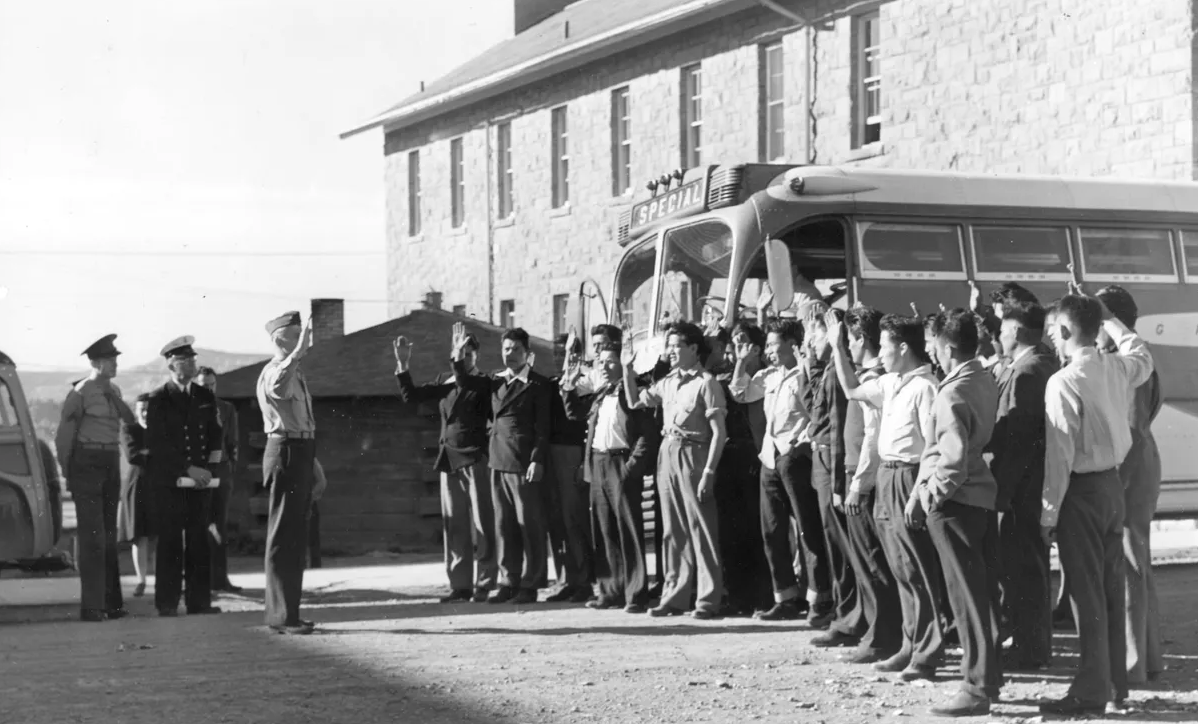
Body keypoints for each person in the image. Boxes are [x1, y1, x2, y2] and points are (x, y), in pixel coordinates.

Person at [1039, 292, 1152, 715]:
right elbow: (1142, 354)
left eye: (1053, 331)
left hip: (1080, 493)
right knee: (1108, 590)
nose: (1051, 338)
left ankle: (1090, 691)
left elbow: (1060, 456)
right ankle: (1113, 687)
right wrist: (1111, 322)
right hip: (1111, 489)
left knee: (1085, 598)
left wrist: (1047, 514)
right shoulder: (1115, 367)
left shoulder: (1063, 381)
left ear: (1066, 330)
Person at [827, 313, 944, 680]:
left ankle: (926, 653)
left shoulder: (926, 387)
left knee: (917, 568)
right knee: (899, 567)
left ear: (903, 347)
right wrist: (836, 347)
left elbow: (932, 446)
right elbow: (850, 390)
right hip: (887, 474)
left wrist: (918, 494)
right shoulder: (892, 382)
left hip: (909, 476)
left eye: (887, 344)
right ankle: (910, 645)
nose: (881, 352)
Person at [905, 310, 1001, 718]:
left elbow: (952, 461)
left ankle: (976, 687)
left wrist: (928, 497)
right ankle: (985, 678)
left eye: (932, 345)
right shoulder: (982, 379)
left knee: (965, 600)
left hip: (954, 504)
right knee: (980, 596)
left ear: (947, 348)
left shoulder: (951, 393)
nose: (930, 352)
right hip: (978, 500)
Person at [730, 319, 832, 625]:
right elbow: (739, 392)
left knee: (807, 529)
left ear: (792, 345)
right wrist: (741, 362)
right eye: (770, 345)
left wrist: (801, 444)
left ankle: (819, 598)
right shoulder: (769, 375)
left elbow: (816, 413)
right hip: (771, 457)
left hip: (795, 455)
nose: (771, 351)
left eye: (775, 345)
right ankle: (785, 597)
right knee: (772, 529)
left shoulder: (805, 373)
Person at [624, 321, 727, 619]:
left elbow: (719, 432)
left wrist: (709, 471)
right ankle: (674, 596)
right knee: (672, 530)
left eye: (675, 346)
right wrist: (627, 370)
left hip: (695, 453)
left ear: (694, 348)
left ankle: (708, 600)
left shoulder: (707, 383)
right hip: (667, 453)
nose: (669, 351)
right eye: (668, 346)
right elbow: (633, 401)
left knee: (701, 527)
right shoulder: (668, 382)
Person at [823, 307, 904, 665]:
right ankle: (874, 630)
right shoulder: (868, 378)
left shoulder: (875, 381)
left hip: (866, 479)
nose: (849, 347)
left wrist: (858, 484)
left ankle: (882, 637)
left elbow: (873, 438)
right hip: (856, 473)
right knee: (865, 562)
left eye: (852, 340)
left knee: (874, 562)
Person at [451, 324, 552, 604]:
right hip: (497, 460)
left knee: (528, 525)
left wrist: (537, 459)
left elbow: (543, 428)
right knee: (503, 526)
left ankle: (531, 583)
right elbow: (465, 382)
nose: (510, 354)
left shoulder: (538, 384)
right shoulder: (495, 381)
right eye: (506, 349)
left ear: (527, 353)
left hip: (523, 463)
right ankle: (509, 581)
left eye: (516, 349)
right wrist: (458, 355)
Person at [395, 327, 496, 604]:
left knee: (483, 525)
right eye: (461, 352)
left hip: (476, 458)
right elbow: (411, 396)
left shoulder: (483, 382)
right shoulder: (445, 380)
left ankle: (485, 583)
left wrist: (457, 358)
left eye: (469, 353)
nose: (465, 357)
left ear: (476, 356)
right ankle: (460, 585)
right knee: (456, 527)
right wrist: (403, 365)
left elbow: (464, 382)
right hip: (450, 459)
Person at [1095, 285, 1165, 684]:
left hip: (1129, 467)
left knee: (1126, 564)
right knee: (1135, 562)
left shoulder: (1127, 365)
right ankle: (1146, 659)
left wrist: (1112, 486)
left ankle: (1132, 666)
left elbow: (1132, 431)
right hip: (1138, 463)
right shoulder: (1127, 361)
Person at [562, 342, 660, 612]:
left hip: (621, 463)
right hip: (598, 461)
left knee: (628, 529)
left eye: (610, 362)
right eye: (600, 362)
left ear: (623, 363)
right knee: (603, 529)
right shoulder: (600, 394)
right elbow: (574, 414)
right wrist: (569, 388)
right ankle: (609, 591)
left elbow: (645, 436)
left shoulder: (632, 393)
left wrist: (631, 468)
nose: (603, 367)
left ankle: (635, 594)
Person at [987, 302, 1058, 671]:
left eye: (1002, 329)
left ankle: (1031, 649)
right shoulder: (1038, 365)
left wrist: (1001, 492)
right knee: (1026, 567)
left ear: (1016, 332)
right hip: (1030, 487)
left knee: (1025, 569)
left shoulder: (1027, 371)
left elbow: (1016, 439)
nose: (999, 335)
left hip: (1021, 489)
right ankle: (1030, 644)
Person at [55, 333, 135, 622]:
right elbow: (64, 437)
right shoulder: (80, 392)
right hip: (86, 463)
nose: (115, 364)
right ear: (96, 362)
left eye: (115, 359)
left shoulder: (114, 390)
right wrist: (68, 472)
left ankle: (112, 604)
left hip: (110, 460)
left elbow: (128, 423)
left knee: (109, 536)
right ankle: (91, 607)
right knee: (93, 537)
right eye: (111, 360)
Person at [800, 304, 864, 649]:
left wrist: (839, 481)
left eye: (816, 331)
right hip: (821, 462)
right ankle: (844, 613)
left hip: (833, 463)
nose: (810, 338)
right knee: (831, 543)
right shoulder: (825, 369)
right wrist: (809, 361)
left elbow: (839, 427)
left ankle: (850, 618)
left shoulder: (841, 371)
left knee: (841, 548)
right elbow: (813, 410)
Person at [145, 336, 223, 618]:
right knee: (170, 542)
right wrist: (188, 468)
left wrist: (210, 471)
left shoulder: (204, 396)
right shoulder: (159, 398)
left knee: (199, 540)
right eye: (184, 360)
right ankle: (167, 603)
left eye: (193, 359)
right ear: (170, 364)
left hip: (201, 482)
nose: (191, 364)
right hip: (171, 482)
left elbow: (216, 437)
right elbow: (158, 444)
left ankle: (198, 602)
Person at [257, 312, 318, 634]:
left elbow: (301, 423)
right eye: (297, 335)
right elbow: (280, 384)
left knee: (295, 538)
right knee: (283, 536)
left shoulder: (295, 371)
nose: (304, 341)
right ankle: (281, 617)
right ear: (280, 338)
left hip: (300, 451)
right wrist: (296, 355)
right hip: (286, 452)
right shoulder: (275, 372)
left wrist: (315, 464)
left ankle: (288, 613)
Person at [711, 324, 773, 616]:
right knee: (731, 530)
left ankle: (763, 595)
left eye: (743, 342)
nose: (738, 348)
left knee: (756, 528)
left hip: (756, 454)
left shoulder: (765, 376)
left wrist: (742, 362)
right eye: (734, 344)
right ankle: (736, 596)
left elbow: (742, 394)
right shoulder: (725, 377)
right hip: (730, 455)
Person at [543, 334, 593, 603]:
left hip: (572, 455)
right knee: (557, 521)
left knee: (575, 520)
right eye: (558, 352)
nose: (562, 358)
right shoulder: (551, 385)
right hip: (550, 455)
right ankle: (566, 579)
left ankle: (583, 580)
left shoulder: (584, 384)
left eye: (569, 353)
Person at [194, 366, 241, 594]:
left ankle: (221, 580)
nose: (208, 389)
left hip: (221, 473)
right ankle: (198, 581)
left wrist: (229, 470)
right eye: (204, 385)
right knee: (198, 526)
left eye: (212, 385)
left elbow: (233, 443)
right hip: (198, 474)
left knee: (220, 527)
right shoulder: (190, 407)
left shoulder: (226, 409)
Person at [117, 393, 155, 597]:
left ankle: (158, 579)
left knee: (158, 535)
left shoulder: (162, 430)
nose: (146, 413)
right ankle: (141, 580)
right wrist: (152, 454)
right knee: (139, 535)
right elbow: (133, 456)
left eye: (149, 409)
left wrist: (148, 453)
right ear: (136, 410)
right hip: (137, 486)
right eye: (142, 409)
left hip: (159, 485)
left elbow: (169, 453)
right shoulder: (129, 429)